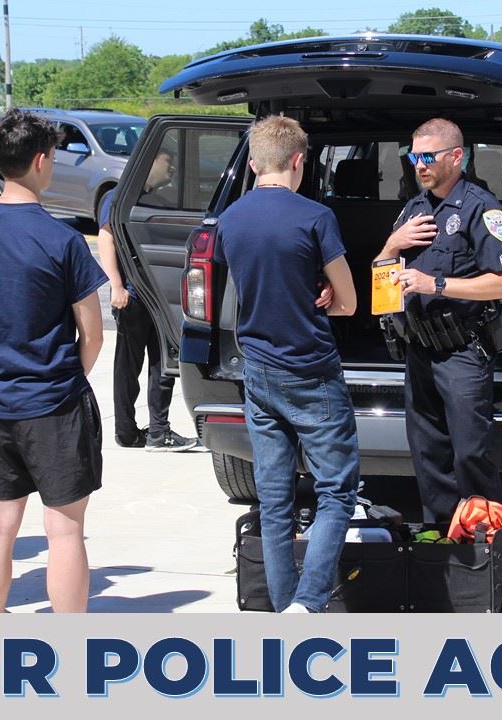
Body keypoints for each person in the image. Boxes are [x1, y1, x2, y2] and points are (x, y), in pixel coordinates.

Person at [0, 109, 107, 613]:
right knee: (64, 531)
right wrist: (65, 376)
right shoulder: (62, 238)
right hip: (54, 402)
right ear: (41, 161)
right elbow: (93, 332)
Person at [214, 115, 360, 613]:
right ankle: (309, 601)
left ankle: (283, 611)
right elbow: (348, 303)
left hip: (258, 371)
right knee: (336, 491)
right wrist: (321, 291)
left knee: (273, 502)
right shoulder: (315, 217)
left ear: (254, 163)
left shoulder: (231, 219)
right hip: (311, 371)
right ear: (300, 161)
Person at [376, 118, 502, 523]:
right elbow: (383, 286)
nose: (419, 165)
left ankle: (500, 557)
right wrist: (390, 245)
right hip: (419, 350)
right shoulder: (413, 209)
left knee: (470, 456)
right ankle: (441, 550)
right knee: (428, 455)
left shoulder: (483, 209)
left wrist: (435, 283)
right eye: (414, 156)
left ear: (457, 157)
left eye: (427, 156)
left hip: (462, 352)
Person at [95, 152, 199, 452]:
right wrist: (116, 285)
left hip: (157, 297)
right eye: (169, 161)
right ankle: (126, 430)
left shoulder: (157, 201)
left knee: (162, 363)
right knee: (129, 367)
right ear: (150, 163)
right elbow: (106, 238)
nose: (174, 167)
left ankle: (157, 430)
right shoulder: (119, 197)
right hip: (133, 295)